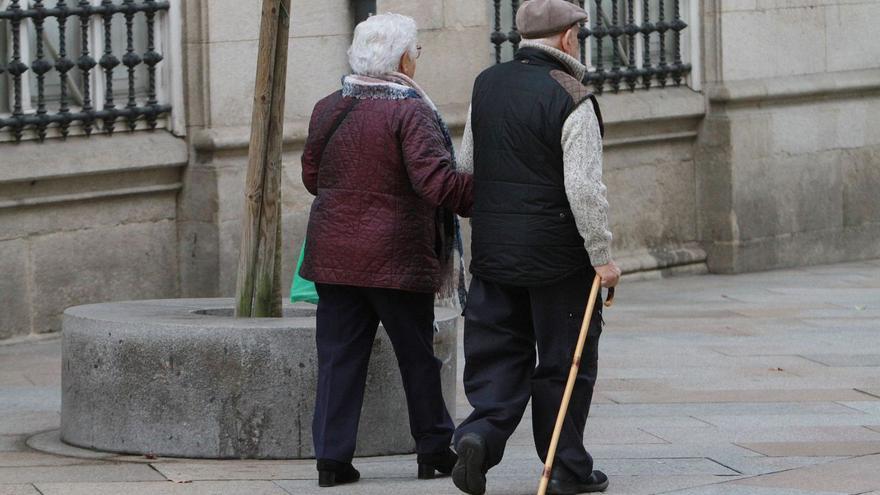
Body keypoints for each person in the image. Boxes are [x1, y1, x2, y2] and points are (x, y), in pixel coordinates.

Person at [450, 1, 621, 494]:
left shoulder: (487, 84)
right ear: (567, 38)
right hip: (558, 259)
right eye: (578, 34)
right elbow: (585, 189)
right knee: (565, 362)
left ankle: (479, 436)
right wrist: (601, 256)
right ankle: (566, 466)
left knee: (498, 353)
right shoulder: (574, 96)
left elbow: (467, 166)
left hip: (495, 251)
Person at [299, 13, 473, 489]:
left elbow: (313, 179)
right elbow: (436, 183)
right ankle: (434, 448)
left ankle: (331, 461)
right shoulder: (410, 110)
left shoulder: (329, 106)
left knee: (338, 358)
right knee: (417, 355)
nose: (416, 59)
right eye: (415, 50)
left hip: (334, 258)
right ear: (400, 57)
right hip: (395, 256)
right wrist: (491, 191)